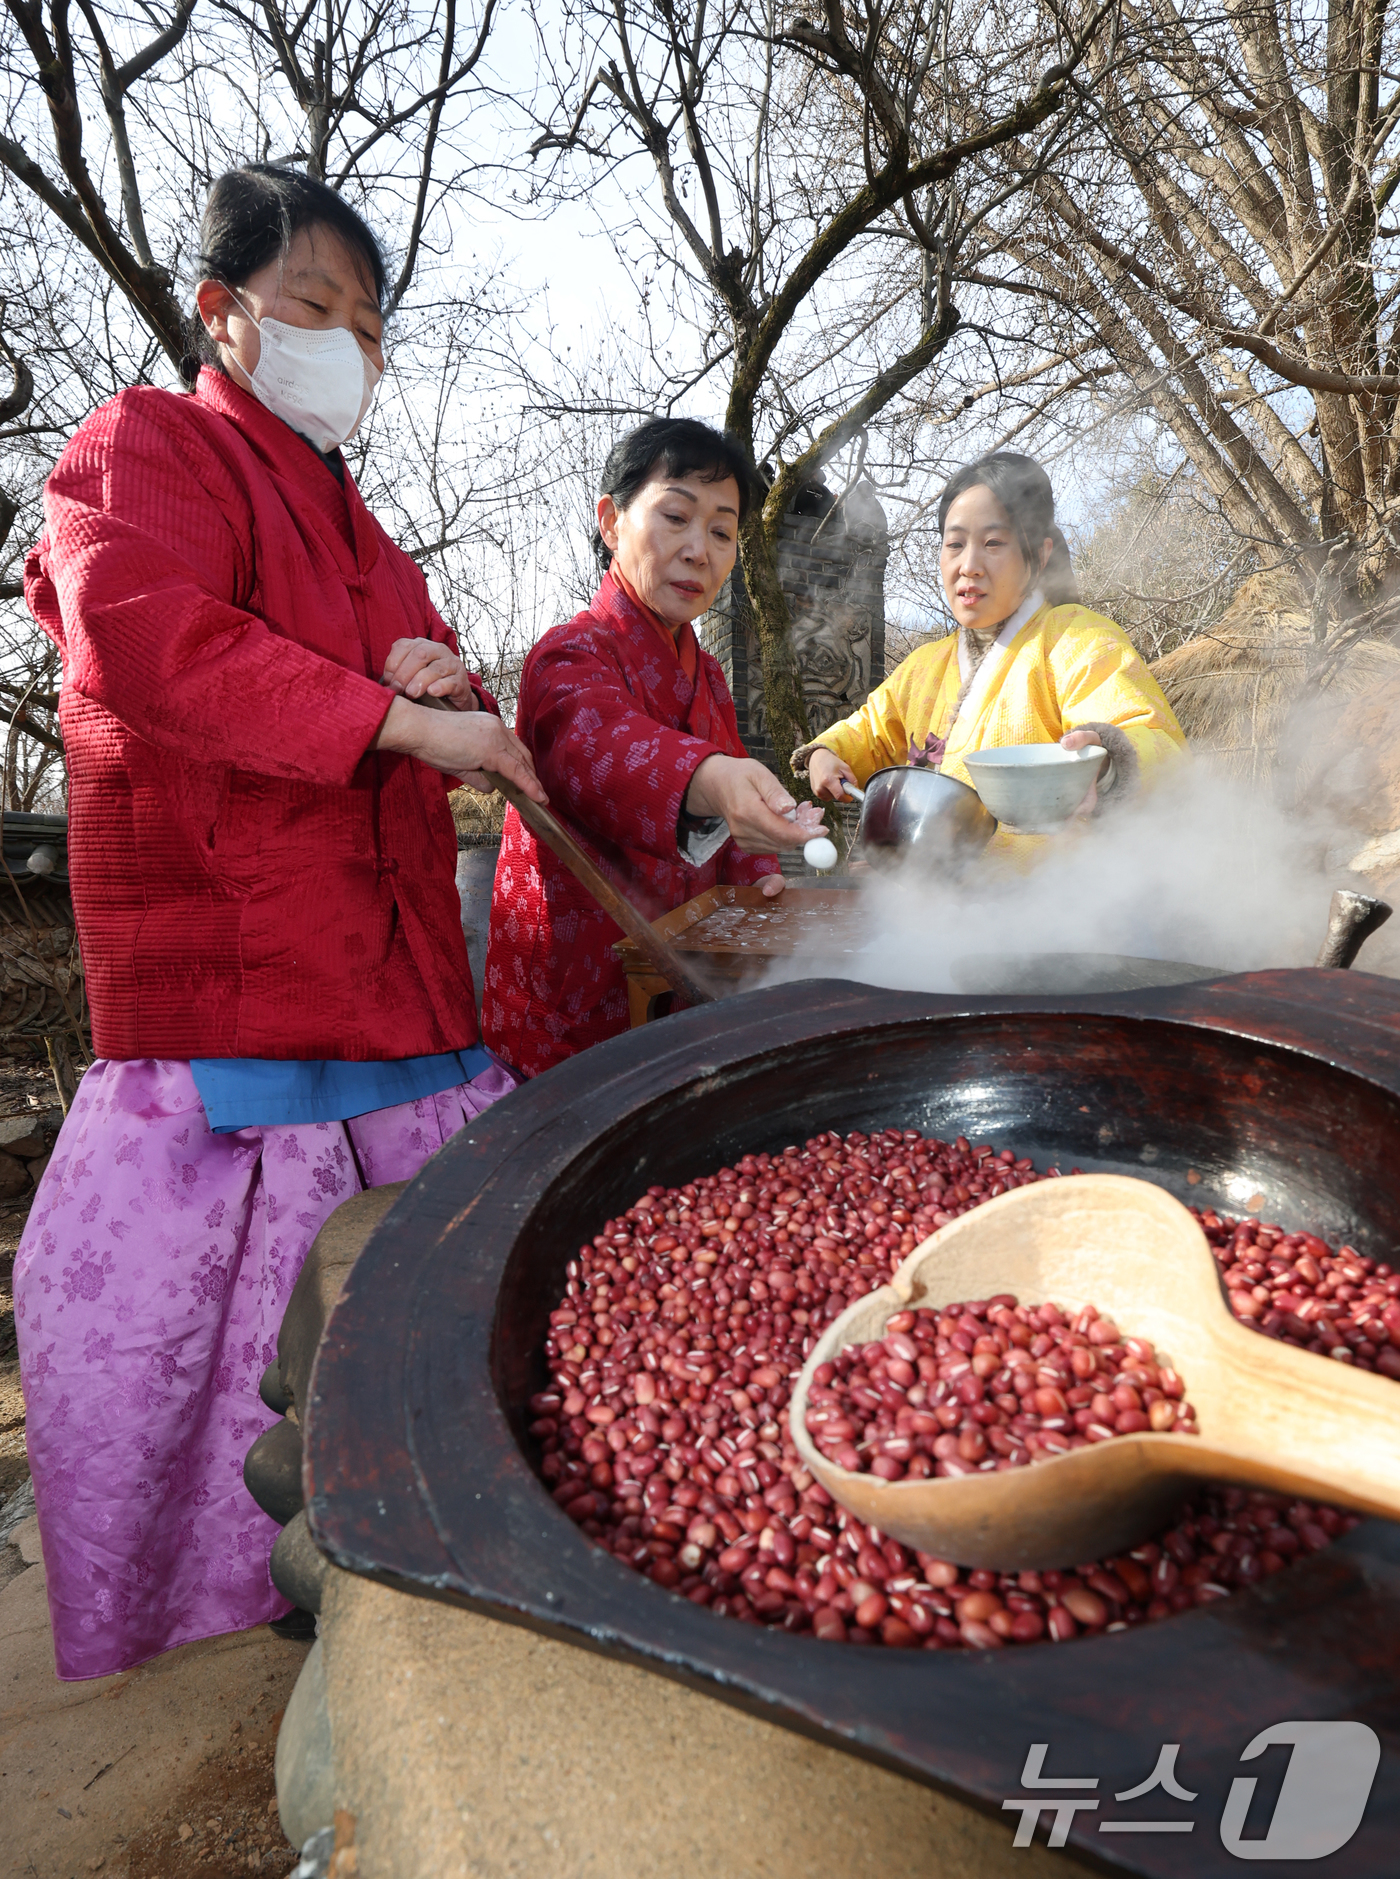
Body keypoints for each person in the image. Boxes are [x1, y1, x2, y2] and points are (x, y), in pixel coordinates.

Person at [15, 164, 546, 1680]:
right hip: (238, 980)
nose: (346, 346)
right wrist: (390, 714)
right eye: (314, 306)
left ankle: (393, 1567)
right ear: (220, 310)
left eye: (368, 325)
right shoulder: (145, 444)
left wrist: (435, 686)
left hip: (393, 986)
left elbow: (398, 681)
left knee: (414, 1329)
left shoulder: (356, 518)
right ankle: (224, 1606)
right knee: (201, 1359)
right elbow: (149, 637)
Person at [484, 417, 824, 1076]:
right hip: (577, 1004)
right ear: (611, 521)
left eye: (723, 531)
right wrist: (710, 777)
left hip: (684, 990)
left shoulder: (710, 674)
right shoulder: (569, 654)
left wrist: (763, 880)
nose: (700, 548)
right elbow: (603, 750)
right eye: (676, 516)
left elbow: (733, 816)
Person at [798, 453, 1186, 846]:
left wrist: (1106, 761)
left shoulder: (1076, 638)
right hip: (935, 899)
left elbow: (1150, 736)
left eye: (993, 542)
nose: (969, 565)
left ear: (1039, 554)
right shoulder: (923, 667)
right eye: (955, 544)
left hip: (1054, 899)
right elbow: (871, 732)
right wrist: (827, 751)